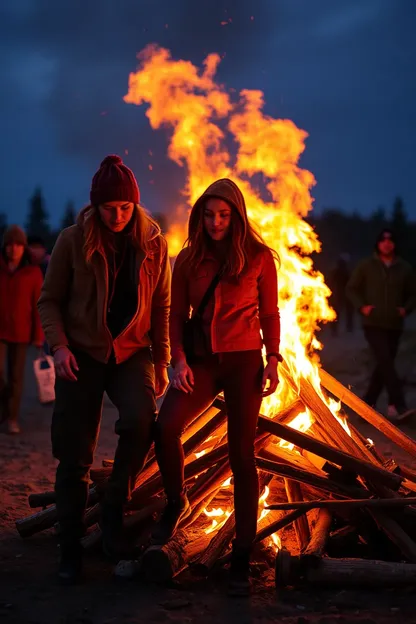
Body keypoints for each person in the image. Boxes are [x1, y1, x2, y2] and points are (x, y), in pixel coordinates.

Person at [37, 154, 171, 584]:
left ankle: (114, 508)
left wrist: (164, 359)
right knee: (74, 452)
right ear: (95, 206)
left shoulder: (154, 243)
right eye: (109, 207)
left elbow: (163, 306)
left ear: (135, 205)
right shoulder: (72, 240)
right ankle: (71, 548)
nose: (117, 215)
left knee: (139, 421)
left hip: (132, 353)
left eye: (125, 207)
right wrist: (58, 346)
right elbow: (49, 300)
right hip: (81, 353)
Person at [153, 178, 281, 596]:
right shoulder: (189, 259)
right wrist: (178, 361)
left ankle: (243, 550)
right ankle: (178, 500)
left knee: (241, 455)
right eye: (209, 214)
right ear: (200, 215)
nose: (215, 222)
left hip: (245, 363)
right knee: (166, 426)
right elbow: (175, 315)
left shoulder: (260, 258)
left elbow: (269, 312)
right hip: (203, 361)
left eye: (224, 214)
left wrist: (274, 359)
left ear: (237, 215)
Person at [346, 229, 416, 420]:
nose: (387, 243)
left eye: (390, 240)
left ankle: (367, 406)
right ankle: (398, 405)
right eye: (383, 240)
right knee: (385, 361)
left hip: (394, 325)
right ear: (378, 244)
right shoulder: (366, 266)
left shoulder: (404, 268)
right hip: (373, 323)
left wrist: (406, 309)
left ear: (394, 244)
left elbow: (413, 293)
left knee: (384, 365)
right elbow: (351, 288)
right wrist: (362, 307)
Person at [0, 225, 44, 434]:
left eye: (17, 245)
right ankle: (3, 411)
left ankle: (12, 418)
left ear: (23, 247)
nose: (13, 249)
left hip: (21, 332)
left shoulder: (33, 272)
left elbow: (38, 305)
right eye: (9, 244)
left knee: (16, 377)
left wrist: (38, 336)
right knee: (0, 375)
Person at [328, 253, 354, 336]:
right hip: (341, 294)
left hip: (342, 294)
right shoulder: (345, 271)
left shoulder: (341, 271)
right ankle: (338, 329)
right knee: (340, 312)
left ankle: (338, 329)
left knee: (342, 312)